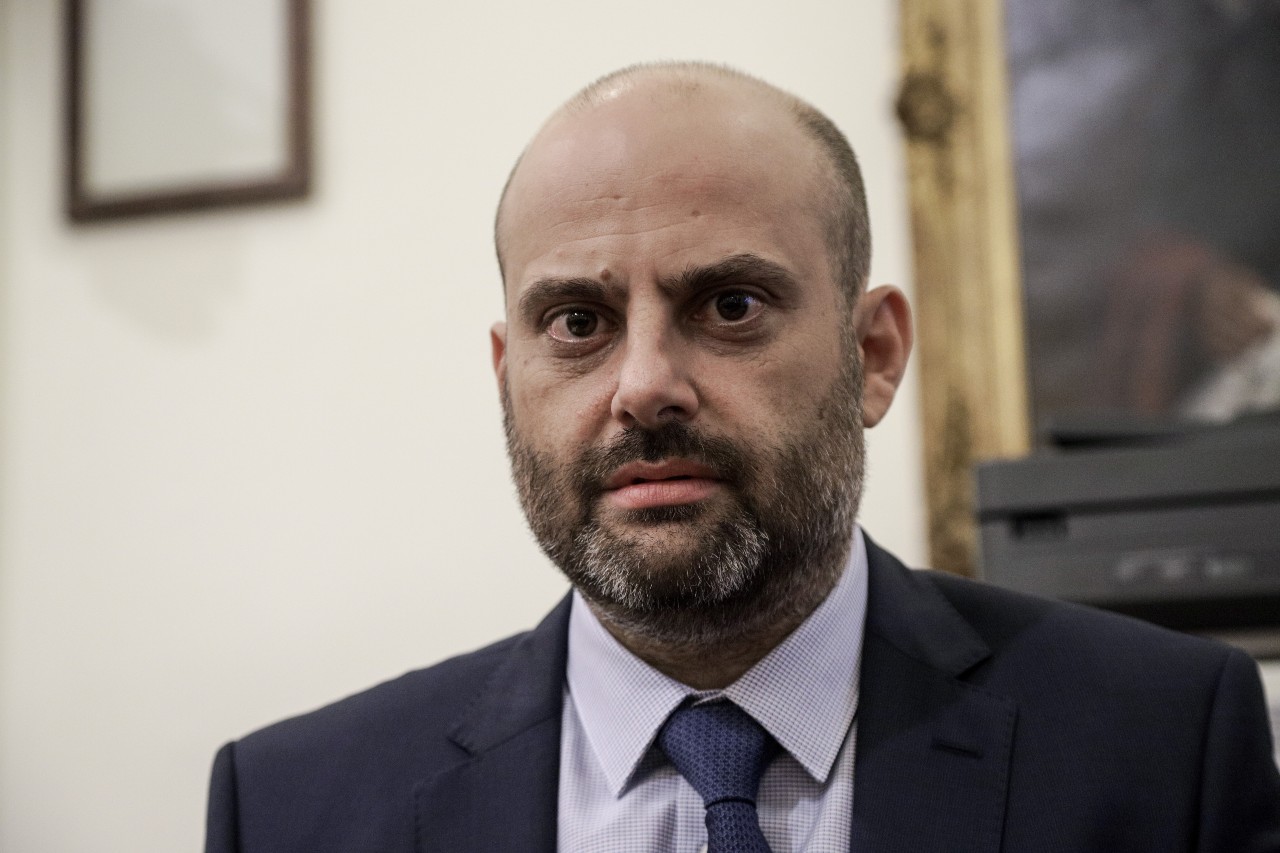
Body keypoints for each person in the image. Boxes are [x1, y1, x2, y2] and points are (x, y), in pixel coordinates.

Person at [204, 62, 1280, 853]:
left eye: (729, 305)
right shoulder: (294, 810)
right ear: (506, 375)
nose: (642, 385)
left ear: (872, 354)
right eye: (576, 323)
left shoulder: (1160, 744)